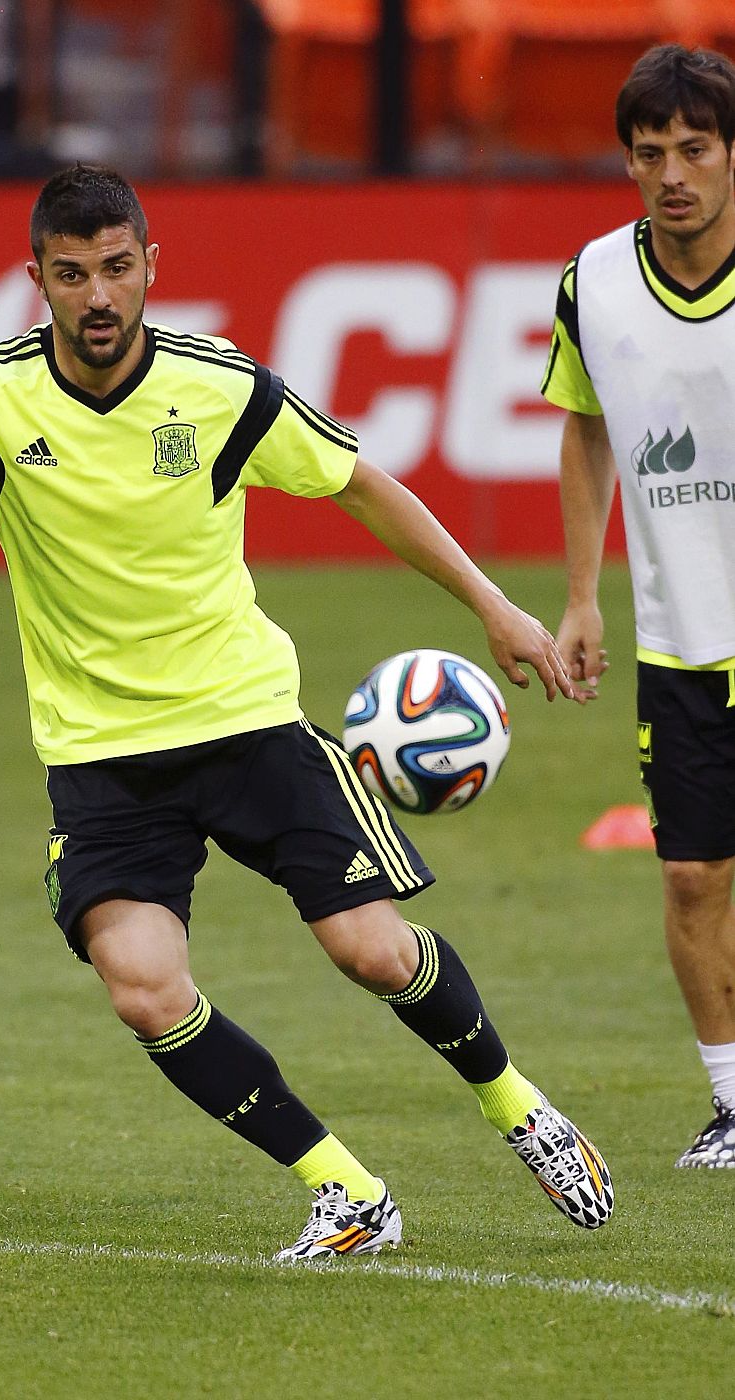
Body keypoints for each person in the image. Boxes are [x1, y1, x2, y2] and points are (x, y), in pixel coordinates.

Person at [0, 164, 613, 1259]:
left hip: (249, 724)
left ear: (152, 265)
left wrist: (492, 605)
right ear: (34, 280)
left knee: (372, 950)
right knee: (145, 992)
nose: (96, 296)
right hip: (103, 759)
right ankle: (346, 1190)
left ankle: (516, 1104)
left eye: (114, 269)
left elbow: (361, 483)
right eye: (70, 275)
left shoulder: (220, 386)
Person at [544, 44, 735, 1170]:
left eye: (695, 150)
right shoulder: (592, 283)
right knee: (689, 871)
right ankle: (730, 1100)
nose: (672, 173)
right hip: (679, 636)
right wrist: (580, 596)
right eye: (650, 152)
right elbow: (584, 425)